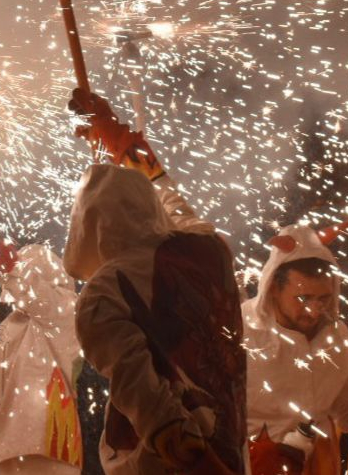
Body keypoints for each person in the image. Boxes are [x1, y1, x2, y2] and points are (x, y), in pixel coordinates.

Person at [67, 89, 247, 475]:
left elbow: (148, 402)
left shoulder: (104, 292)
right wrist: (123, 147)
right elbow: (177, 207)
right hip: (232, 453)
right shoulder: (210, 254)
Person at [244, 221, 348, 475]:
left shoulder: (336, 334)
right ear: (274, 287)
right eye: (303, 298)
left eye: (323, 298)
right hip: (255, 461)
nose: (314, 310)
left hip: (320, 460)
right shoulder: (241, 329)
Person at [0, 244, 83, 475]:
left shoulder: (66, 307)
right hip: (4, 445)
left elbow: (30, 290)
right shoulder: (11, 323)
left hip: (45, 440)